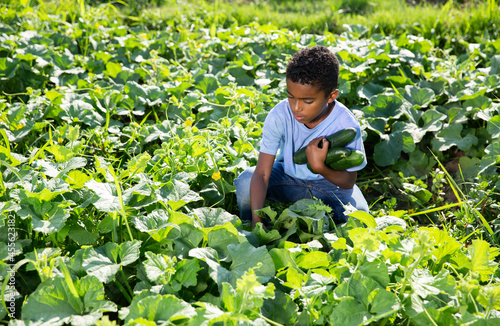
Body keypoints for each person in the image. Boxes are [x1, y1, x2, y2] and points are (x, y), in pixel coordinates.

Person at [234, 45, 369, 228]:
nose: (296, 107)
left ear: (331, 96)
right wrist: (258, 223)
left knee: (362, 221)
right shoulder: (279, 115)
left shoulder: (346, 124)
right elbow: (263, 172)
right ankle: (249, 223)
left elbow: (348, 181)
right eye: (291, 97)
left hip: (332, 188)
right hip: (289, 180)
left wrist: (319, 167)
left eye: (308, 101)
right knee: (245, 182)